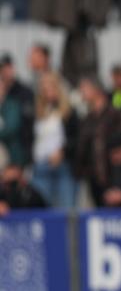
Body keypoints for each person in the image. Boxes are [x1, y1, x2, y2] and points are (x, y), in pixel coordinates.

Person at [75, 76, 121, 206]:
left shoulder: (116, 115)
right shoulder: (87, 118)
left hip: (113, 175)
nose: (81, 92)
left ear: (96, 90)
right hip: (93, 177)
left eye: (85, 88)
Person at [31, 72, 79, 209]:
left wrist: (62, 151)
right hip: (41, 166)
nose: (47, 92)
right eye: (44, 89)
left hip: (63, 166)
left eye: (51, 87)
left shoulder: (69, 111)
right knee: (42, 209)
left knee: (65, 210)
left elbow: (76, 137)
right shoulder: (37, 111)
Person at [0, 53, 35, 165]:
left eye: (8, 67)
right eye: (3, 68)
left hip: (20, 149)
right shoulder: (6, 97)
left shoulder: (24, 92)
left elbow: (14, 127)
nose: (6, 71)